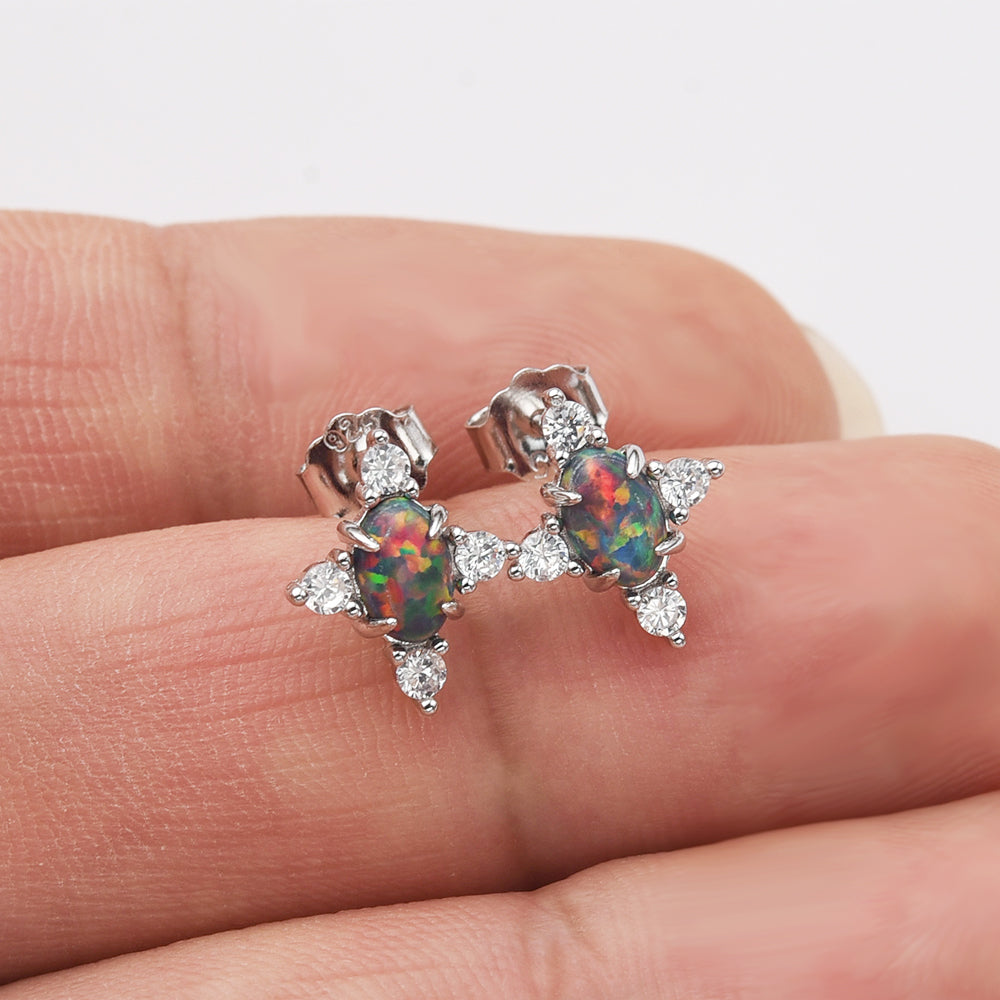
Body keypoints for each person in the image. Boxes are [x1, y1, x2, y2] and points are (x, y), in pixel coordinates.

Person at [1, 213, 997, 998]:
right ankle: (480, 627)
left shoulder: (572, 497)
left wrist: (540, 543)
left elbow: (516, 543)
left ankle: (579, 598)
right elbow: (444, 555)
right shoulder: (407, 541)